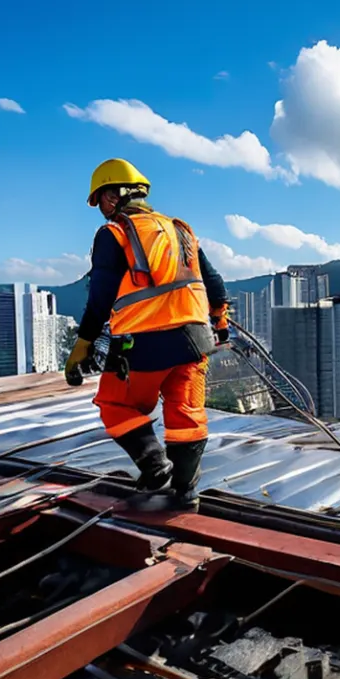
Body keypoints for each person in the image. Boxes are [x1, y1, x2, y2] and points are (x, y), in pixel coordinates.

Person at [65, 158, 230, 511]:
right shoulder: (180, 230)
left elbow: (100, 298)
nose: (102, 211)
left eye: (101, 202)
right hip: (195, 342)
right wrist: (220, 322)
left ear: (113, 196)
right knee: (186, 416)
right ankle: (186, 494)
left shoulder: (115, 233)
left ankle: (155, 467)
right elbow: (215, 285)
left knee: (116, 404)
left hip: (143, 346)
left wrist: (82, 345)